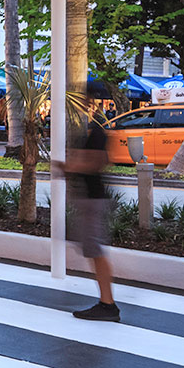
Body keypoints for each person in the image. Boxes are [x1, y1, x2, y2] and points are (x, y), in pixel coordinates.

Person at [61, 105, 119, 321]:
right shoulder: (88, 131)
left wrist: (69, 166)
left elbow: (96, 162)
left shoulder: (96, 132)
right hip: (89, 199)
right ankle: (106, 303)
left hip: (93, 200)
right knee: (93, 250)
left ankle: (108, 305)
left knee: (95, 251)